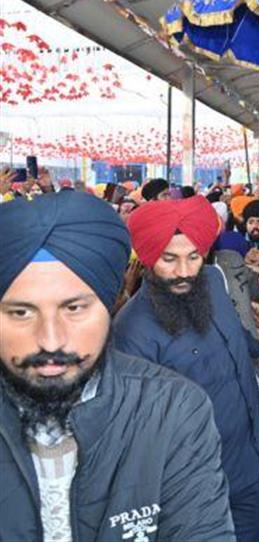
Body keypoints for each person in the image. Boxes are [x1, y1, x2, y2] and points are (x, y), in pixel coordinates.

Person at [0, 191, 235, 541]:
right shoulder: (137, 331)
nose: (50, 341)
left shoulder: (173, 409)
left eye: (74, 308)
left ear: (109, 305)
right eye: (21, 312)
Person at [113, 196, 259, 542]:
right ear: (148, 258)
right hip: (198, 487)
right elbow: (137, 434)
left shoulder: (210, 280)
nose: (184, 271)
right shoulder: (131, 330)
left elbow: (231, 328)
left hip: (257, 460)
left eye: (193, 256)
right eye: (169, 259)